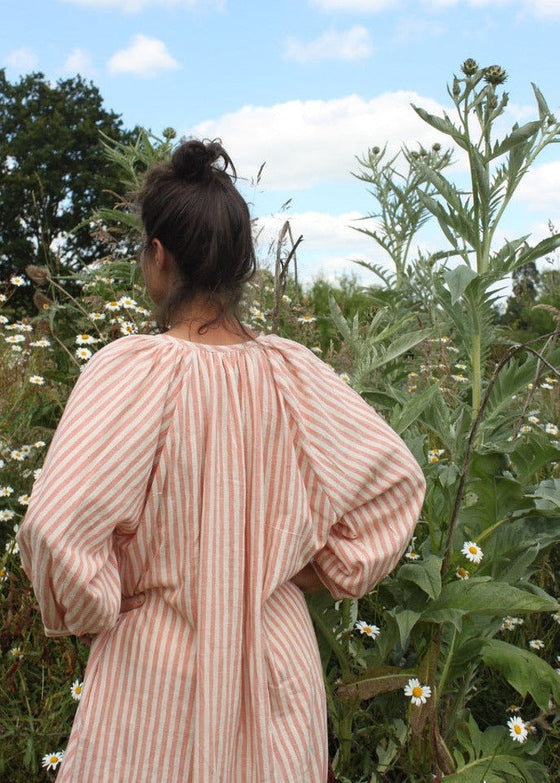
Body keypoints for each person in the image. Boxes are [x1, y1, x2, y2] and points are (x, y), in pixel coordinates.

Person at [17, 139, 426, 782]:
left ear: (158, 256)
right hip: (277, 676)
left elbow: (52, 528)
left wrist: (96, 607)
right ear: (241, 265)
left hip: (154, 676)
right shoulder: (295, 377)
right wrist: (307, 573)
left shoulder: (133, 374)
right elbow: (396, 485)